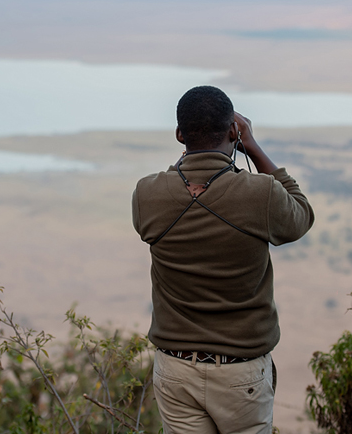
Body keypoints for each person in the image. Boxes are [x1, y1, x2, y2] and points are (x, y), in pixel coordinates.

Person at [132, 86, 314, 434]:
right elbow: (301, 215)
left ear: (179, 134)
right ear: (234, 131)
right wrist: (253, 148)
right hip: (239, 371)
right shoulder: (260, 194)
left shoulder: (146, 194)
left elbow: (177, 193)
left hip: (175, 368)